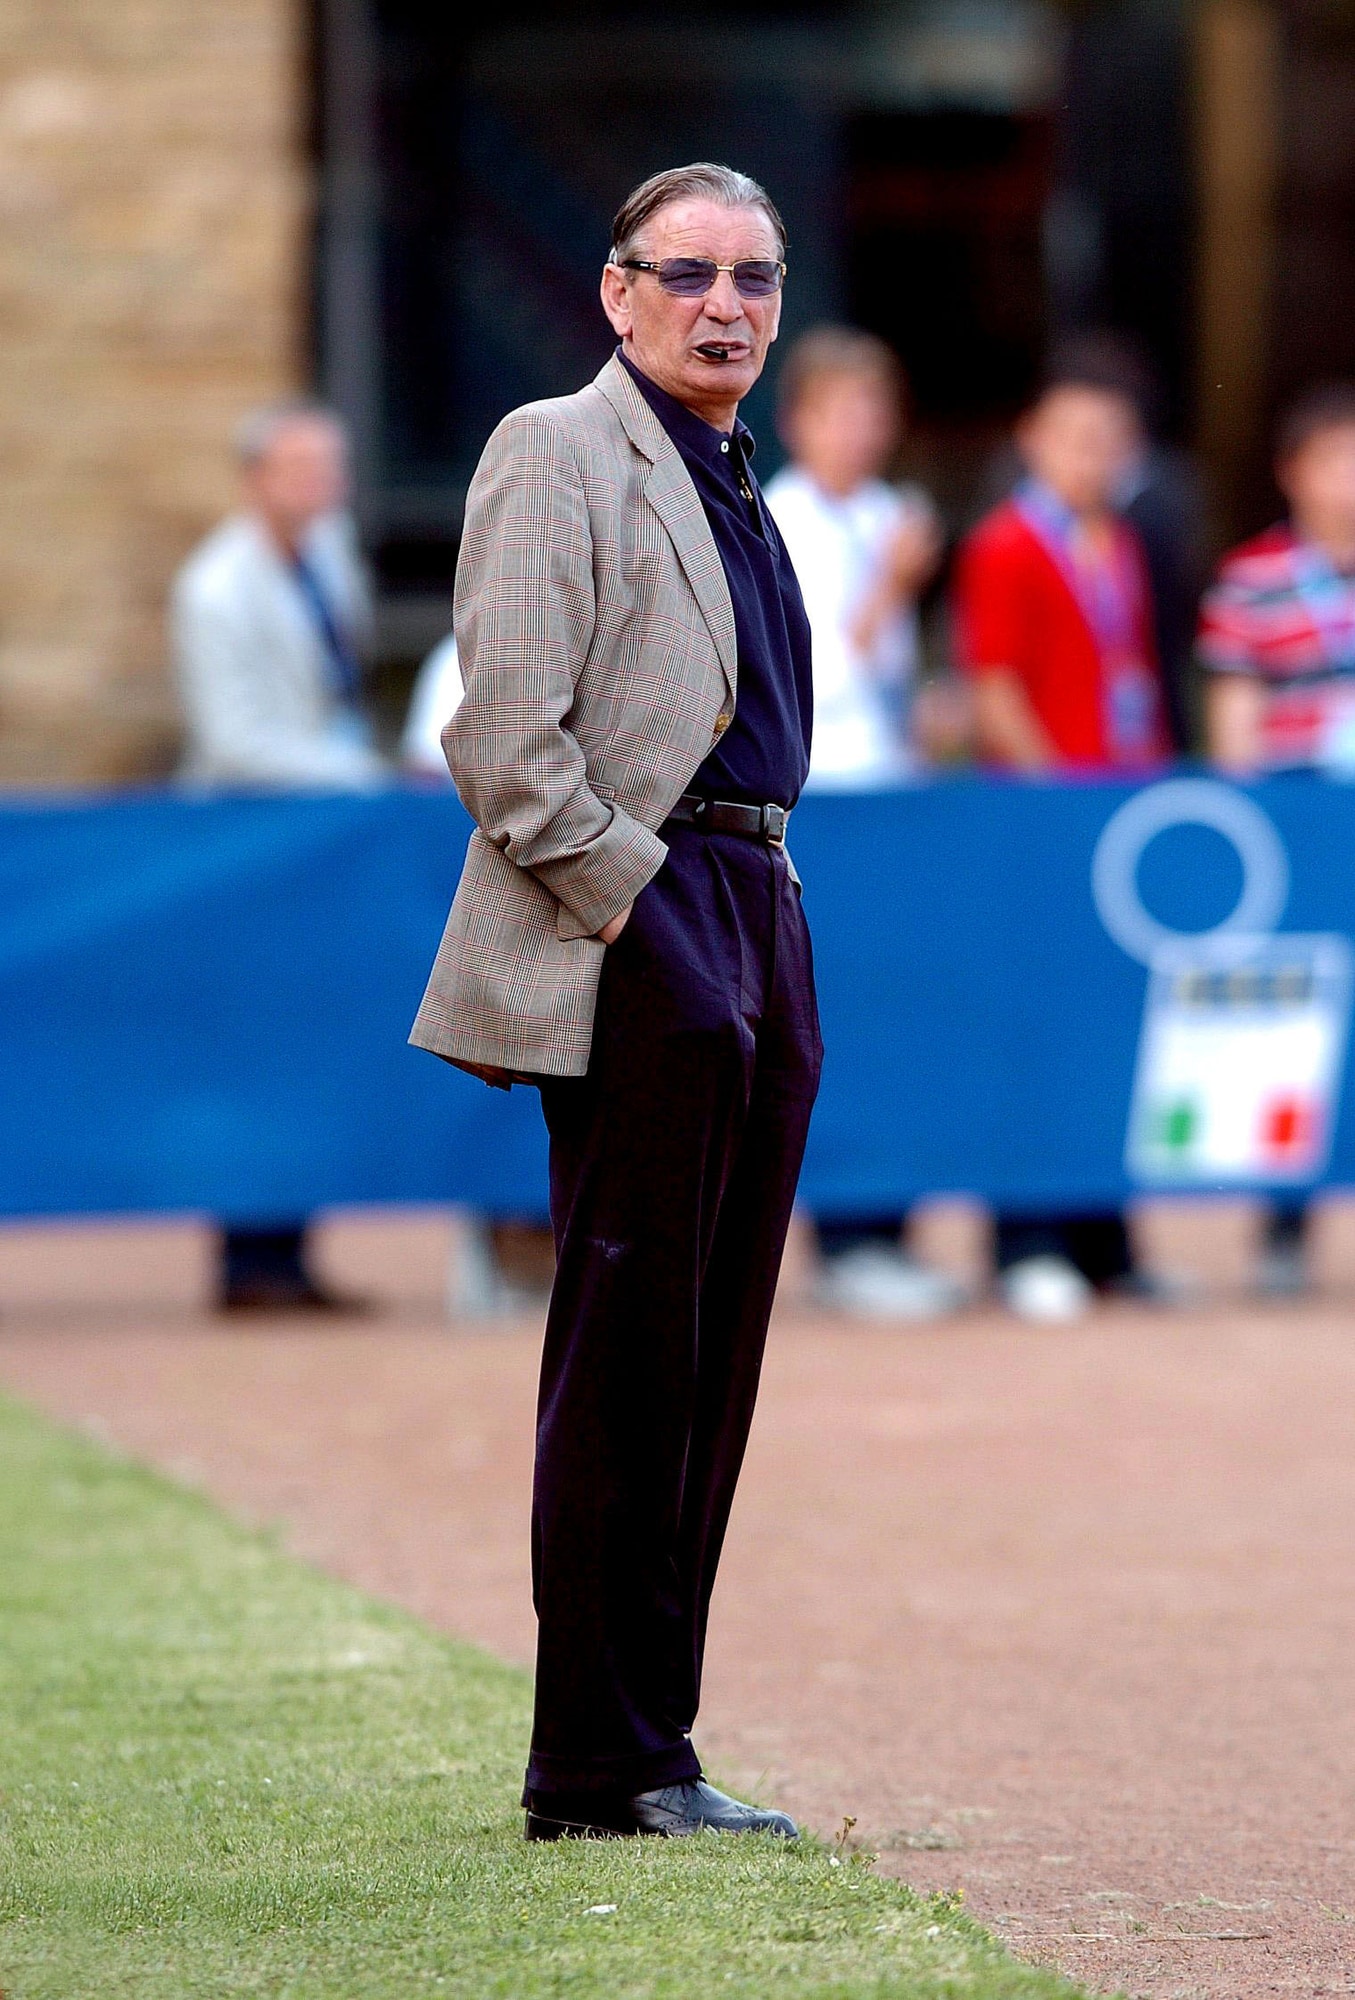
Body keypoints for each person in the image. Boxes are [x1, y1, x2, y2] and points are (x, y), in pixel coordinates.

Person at [411, 163, 820, 1839]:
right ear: (616, 292)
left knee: (709, 1358)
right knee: (630, 1346)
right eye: (690, 273)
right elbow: (502, 738)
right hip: (650, 912)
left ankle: (655, 1746)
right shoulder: (555, 448)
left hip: (754, 896)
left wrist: (746, 918)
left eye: (755, 277)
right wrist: (642, 908)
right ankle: (592, 1764)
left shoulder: (729, 468)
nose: (726, 305)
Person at [954, 355, 1170, 1321]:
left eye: (1109, 440)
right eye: (1075, 437)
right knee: (1034, 1033)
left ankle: (1106, 1244)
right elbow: (991, 688)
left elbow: (1132, 678)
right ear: (1032, 442)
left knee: (1109, 1033)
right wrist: (1054, 804)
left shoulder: (1118, 541)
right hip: (1042, 830)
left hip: (1115, 821)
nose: (1093, 456)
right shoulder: (1005, 544)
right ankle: (1026, 1243)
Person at [763, 326, 964, 1318]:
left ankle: (892, 1227)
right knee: (829, 1016)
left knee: (903, 1013)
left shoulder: (888, 513)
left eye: (875, 412)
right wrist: (891, 587)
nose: (861, 431)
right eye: (842, 411)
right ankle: (844, 1236)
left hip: (893, 795)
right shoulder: (775, 519)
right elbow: (802, 675)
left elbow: (885, 673)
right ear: (797, 421)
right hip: (819, 804)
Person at [172, 400, 384, 1313]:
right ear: (257, 478)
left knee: (311, 1044)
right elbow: (233, 742)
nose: (324, 485)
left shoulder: (331, 556)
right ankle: (248, 1257)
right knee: (253, 1049)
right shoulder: (215, 588)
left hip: (316, 849)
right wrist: (362, 771)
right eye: (303, 467)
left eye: (332, 466)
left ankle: (291, 1251)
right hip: (246, 853)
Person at [1200, 382, 1355, 1294]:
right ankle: (1284, 1222)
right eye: (1335, 459)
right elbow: (1234, 718)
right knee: (1297, 1021)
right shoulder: (1252, 580)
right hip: (1299, 831)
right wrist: (1252, 818)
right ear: (1293, 473)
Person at [401, 633, 558, 1319]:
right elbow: (430, 775)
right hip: (500, 884)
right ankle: (497, 1250)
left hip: (566, 877)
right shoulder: (464, 651)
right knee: (490, 1075)